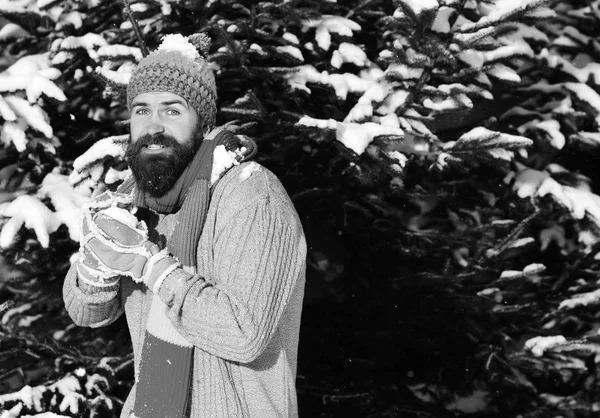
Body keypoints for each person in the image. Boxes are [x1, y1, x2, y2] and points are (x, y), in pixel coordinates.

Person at [63, 33, 306, 418]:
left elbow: (244, 333)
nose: (153, 125)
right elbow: (86, 313)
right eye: (141, 110)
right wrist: (97, 266)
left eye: (172, 110)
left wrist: (152, 267)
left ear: (202, 121)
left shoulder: (250, 192)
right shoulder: (137, 200)